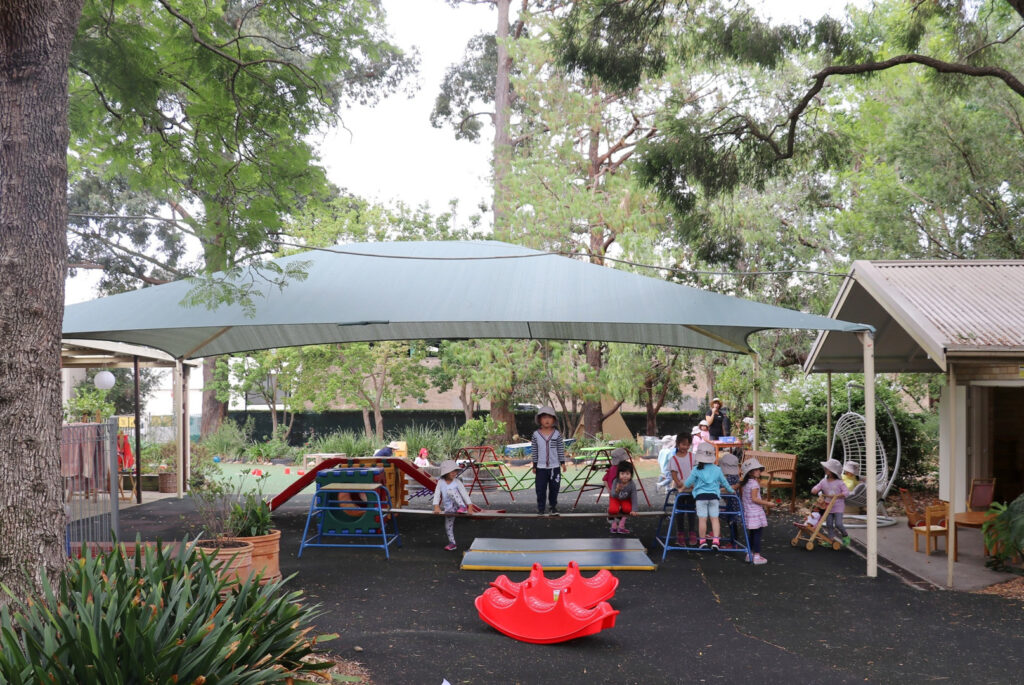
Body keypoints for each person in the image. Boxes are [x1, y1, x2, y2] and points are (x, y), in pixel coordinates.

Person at [682, 442, 735, 551]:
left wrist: (681, 489)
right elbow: (725, 483)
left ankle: (702, 541)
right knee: (715, 519)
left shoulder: (696, 469)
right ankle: (716, 540)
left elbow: (688, 483)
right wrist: (731, 491)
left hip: (701, 497)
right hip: (714, 497)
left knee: (702, 519)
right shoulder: (717, 469)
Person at [531, 406, 566, 515]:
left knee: (554, 488)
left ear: (554, 420)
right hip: (541, 468)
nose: (547, 420)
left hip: (554, 467)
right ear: (540, 420)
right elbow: (534, 451)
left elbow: (560, 449)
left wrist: (562, 462)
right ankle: (541, 508)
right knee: (540, 489)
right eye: (544, 417)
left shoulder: (557, 434)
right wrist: (535, 465)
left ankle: (553, 507)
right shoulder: (536, 435)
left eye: (550, 417)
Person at [739, 456, 774, 565]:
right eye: (756, 469)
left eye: (759, 469)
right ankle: (757, 556)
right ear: (750, 473)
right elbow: (755, 499)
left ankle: (749, 554)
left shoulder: (745, 484)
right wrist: (768, 503)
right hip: (755, 512)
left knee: (752, 534)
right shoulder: (754, 484)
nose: (759, 471)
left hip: (748, 512)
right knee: (757, 534)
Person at [432, 459, 472, 551]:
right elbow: (437, 494)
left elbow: (464, 494)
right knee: (448, 527)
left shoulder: (457, 482)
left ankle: (463, 507)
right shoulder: (440, 482)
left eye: (456, 471)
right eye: (452, 471)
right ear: (446, 473)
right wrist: (436, 506)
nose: (454, 473)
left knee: (450, 491)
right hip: (449, 508)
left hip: (459, 506)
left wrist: (469, 506)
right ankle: (452, 543)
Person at [811, 458, 851, 546]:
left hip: (838, 506)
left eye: (827, 468)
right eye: (825, 468)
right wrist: (814, 490)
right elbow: (817, 487)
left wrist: (837, 496)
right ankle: (830, 540)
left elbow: (846, 492)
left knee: (838, 524)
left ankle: (845, 535)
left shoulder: (839, 482)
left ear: (833, 471)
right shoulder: (823, 481)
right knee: (829, 524)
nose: (825, 469)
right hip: (827, 506)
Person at [668, 433, 697, 546]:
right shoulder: (673, 459)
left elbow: (696, 471)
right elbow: (673, 473)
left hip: (691, 488)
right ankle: (680, 533)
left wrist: (694, 483)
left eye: (688, 445)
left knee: (691, 511)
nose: (685, 447)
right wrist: (678, 483)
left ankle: (692, 532)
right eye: (683, 444)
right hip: (680, 488)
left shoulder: (692, 457)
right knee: (679, 512)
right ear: (678, 444)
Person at [607, 461, 639, 534]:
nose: (625, 476)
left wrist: (634, 510)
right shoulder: (616, 481)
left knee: (628, 509)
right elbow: (613, 495)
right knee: (613, 510)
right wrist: (617, 490)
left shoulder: (632, 484)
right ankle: (613, 525)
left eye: (627, 474)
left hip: (625, 499)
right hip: (615, 498)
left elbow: (634, 496)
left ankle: (621, 526)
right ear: (618, 474)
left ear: (631, 475)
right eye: (622, 474)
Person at [719, 452, 742, 548]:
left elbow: (730, 488)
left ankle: (734, 542)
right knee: (731, 522)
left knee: (732, 522)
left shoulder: (730, 477)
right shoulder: (734, 476)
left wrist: (718, 489)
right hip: (732, 503)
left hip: (732, 504)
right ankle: (733, 541)